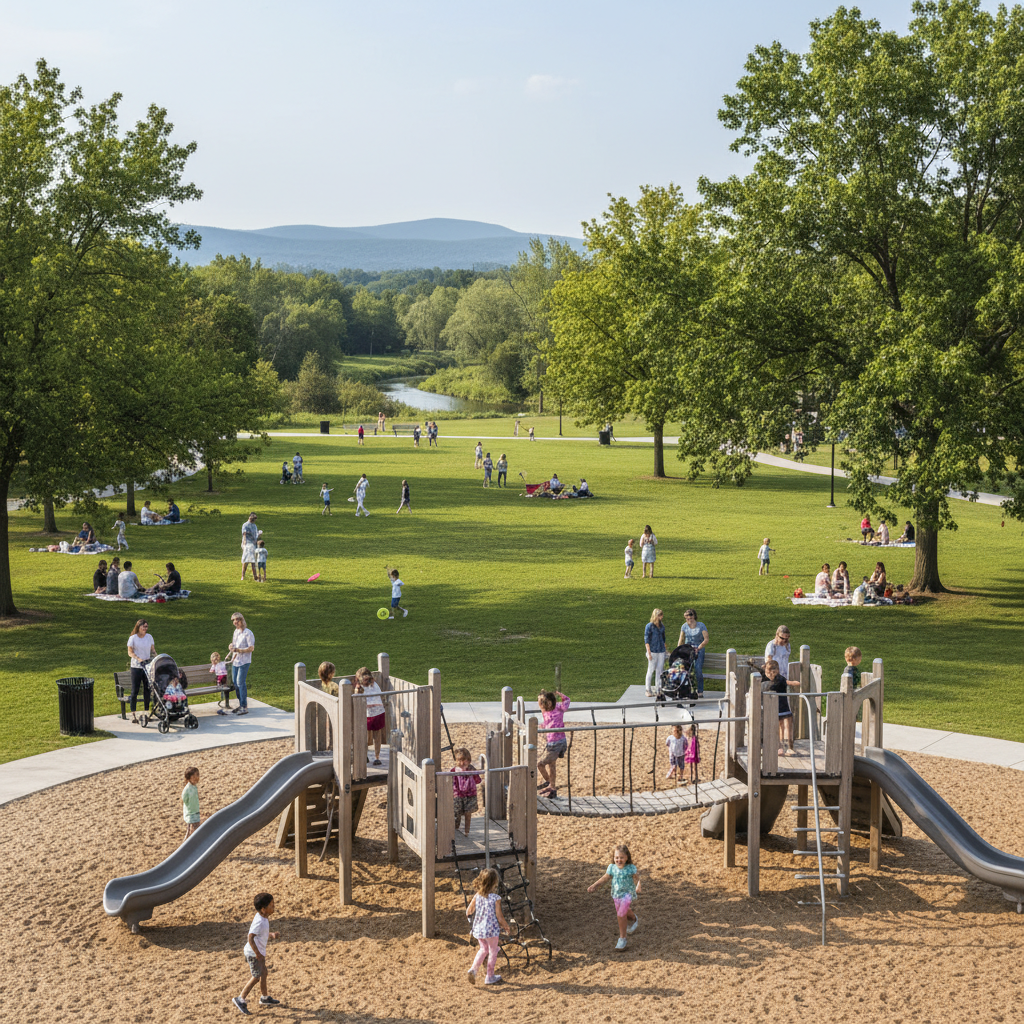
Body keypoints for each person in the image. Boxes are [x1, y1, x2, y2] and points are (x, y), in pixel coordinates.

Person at [233, 892, 281, 1014]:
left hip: (258, 953)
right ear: (263, 909)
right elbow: (250, 937)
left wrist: (271, 935)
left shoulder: (264, 918)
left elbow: (261, 935)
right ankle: (240, 999)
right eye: (271, 905)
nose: (273, 907)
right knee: (256, 976)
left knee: (264, 972)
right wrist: (257, 954)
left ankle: (264, 998)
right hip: (254, 954)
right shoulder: (260, 921)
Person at [587, 844, 640, 951]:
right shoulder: (612, 867)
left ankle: (622, 938)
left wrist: (638, 886)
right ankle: (634, 919)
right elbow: (605, 877)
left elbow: (637, 878)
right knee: (624, 912)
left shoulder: (631, 868)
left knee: (621, 914)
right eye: (616, 857)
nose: (619, 860)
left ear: (626, 858)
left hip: (627, 894)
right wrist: (595, 885)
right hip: (616, 894)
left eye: (621, 857)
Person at [465, 868, 509, 987]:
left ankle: (473, 970)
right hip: (491, 930)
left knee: (483, 949)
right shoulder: (496, 898)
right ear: (495, 882)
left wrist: (470, 918)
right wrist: (506, 926)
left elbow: (468, 911)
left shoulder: (477, 896)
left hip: (479, 929)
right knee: (493, 951)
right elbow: (499, 917)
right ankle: (490, 976)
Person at [760, 657, 801, 756]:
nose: (770, 675)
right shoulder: (765, 680)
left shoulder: (780, 678)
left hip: (783, 706)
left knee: (785, 726)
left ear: (777, 671)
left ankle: (789, 747)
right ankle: (779, 747)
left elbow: (789, 682)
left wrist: (797, 683)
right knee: (777, 727)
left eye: (772, 673)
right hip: (773, 707)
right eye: (768, 673)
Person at [537, 689, 570, 797]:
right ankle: (553, 788)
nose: (541, 705)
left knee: (540, 764)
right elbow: (548, 722)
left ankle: (549, 783)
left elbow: (567, 701)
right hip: (558, 742)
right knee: (552, 765)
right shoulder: (551, 710)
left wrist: (561, 695)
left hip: (555, 743)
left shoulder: (556, 707)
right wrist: (541, 726)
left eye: (543, 702)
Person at [354, 666, 386, 764]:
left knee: (367, 736)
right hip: (379, 712)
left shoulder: (360, 687)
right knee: (377, 737)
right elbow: (380, 695)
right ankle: (377, 757)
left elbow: (356, 697)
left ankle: (366, 755)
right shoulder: (375, 684)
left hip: (368, 714)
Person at [126, 619, 155, 722]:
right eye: (143, 626)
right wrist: (138, 658)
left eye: (146, 627)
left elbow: (153, 650)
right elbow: (130, 652)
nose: (145, 629)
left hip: (147, 666)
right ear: (138, 627)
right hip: (136, 667)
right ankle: (133, 714)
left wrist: (156, 657)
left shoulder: (149, 637)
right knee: (135, 690)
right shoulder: (133, 638)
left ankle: (146, 713)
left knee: (147, 690)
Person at [228, 613, 255, 715]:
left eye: (237, 620)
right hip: (236, 661)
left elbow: (251, 648)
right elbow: (234, 644)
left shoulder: (248, 633)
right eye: (234, 621)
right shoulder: (236, 632)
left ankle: (244, 706)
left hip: (244, 661)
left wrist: (239, 650)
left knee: (240, 682)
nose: (235, 623)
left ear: (241, 621)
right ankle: (240, 704)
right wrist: (231, 646)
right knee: (235, 682)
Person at [451, 747, 481, 836]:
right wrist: (454, 793)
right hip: (458, 795)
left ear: (469, 761)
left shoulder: (471, 769)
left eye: (465, 761)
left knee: (468, 813)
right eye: (460, 761)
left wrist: (473, 774)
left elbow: (478, 780)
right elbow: (452, 783)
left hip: (470, 794)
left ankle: (466, 831)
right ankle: (456, 828)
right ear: (456, 761)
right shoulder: (454, 770)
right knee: (457, 812)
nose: (462, 763)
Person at [679, 609, 709, 695]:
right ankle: (687, 689)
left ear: (694, 616)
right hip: (688, 649)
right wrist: (678, 650)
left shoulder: (701, 626)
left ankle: (700, 691)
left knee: (697, 669)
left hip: (699, 648)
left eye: (690, 617)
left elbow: (706, 639)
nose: (689, 619)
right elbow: (681, 639)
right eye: (687, 618)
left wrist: (698, 648)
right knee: (685, 669)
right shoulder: (684, 626)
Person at [644, 608, 666, 697]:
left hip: (661, 651)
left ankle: (658, 688)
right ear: (656, 616)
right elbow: (647, 640)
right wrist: (648, 653)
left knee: (660, 670)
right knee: (651, 670)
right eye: (660, 615)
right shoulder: (649, 626)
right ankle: (648, 689)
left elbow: (663, 638)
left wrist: (665, 648)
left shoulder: (662, 626)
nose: (661, 617)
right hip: (653, 650)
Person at [181, 767, 200, 841]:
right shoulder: (187, 789)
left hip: (196, 813)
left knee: (195, 830)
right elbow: (184, 799)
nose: (196, 778)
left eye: (198, 775)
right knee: (191, 831)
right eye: (194, 776)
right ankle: (185, 845)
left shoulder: (194, 787)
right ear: (189, 778)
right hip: (191, 814)